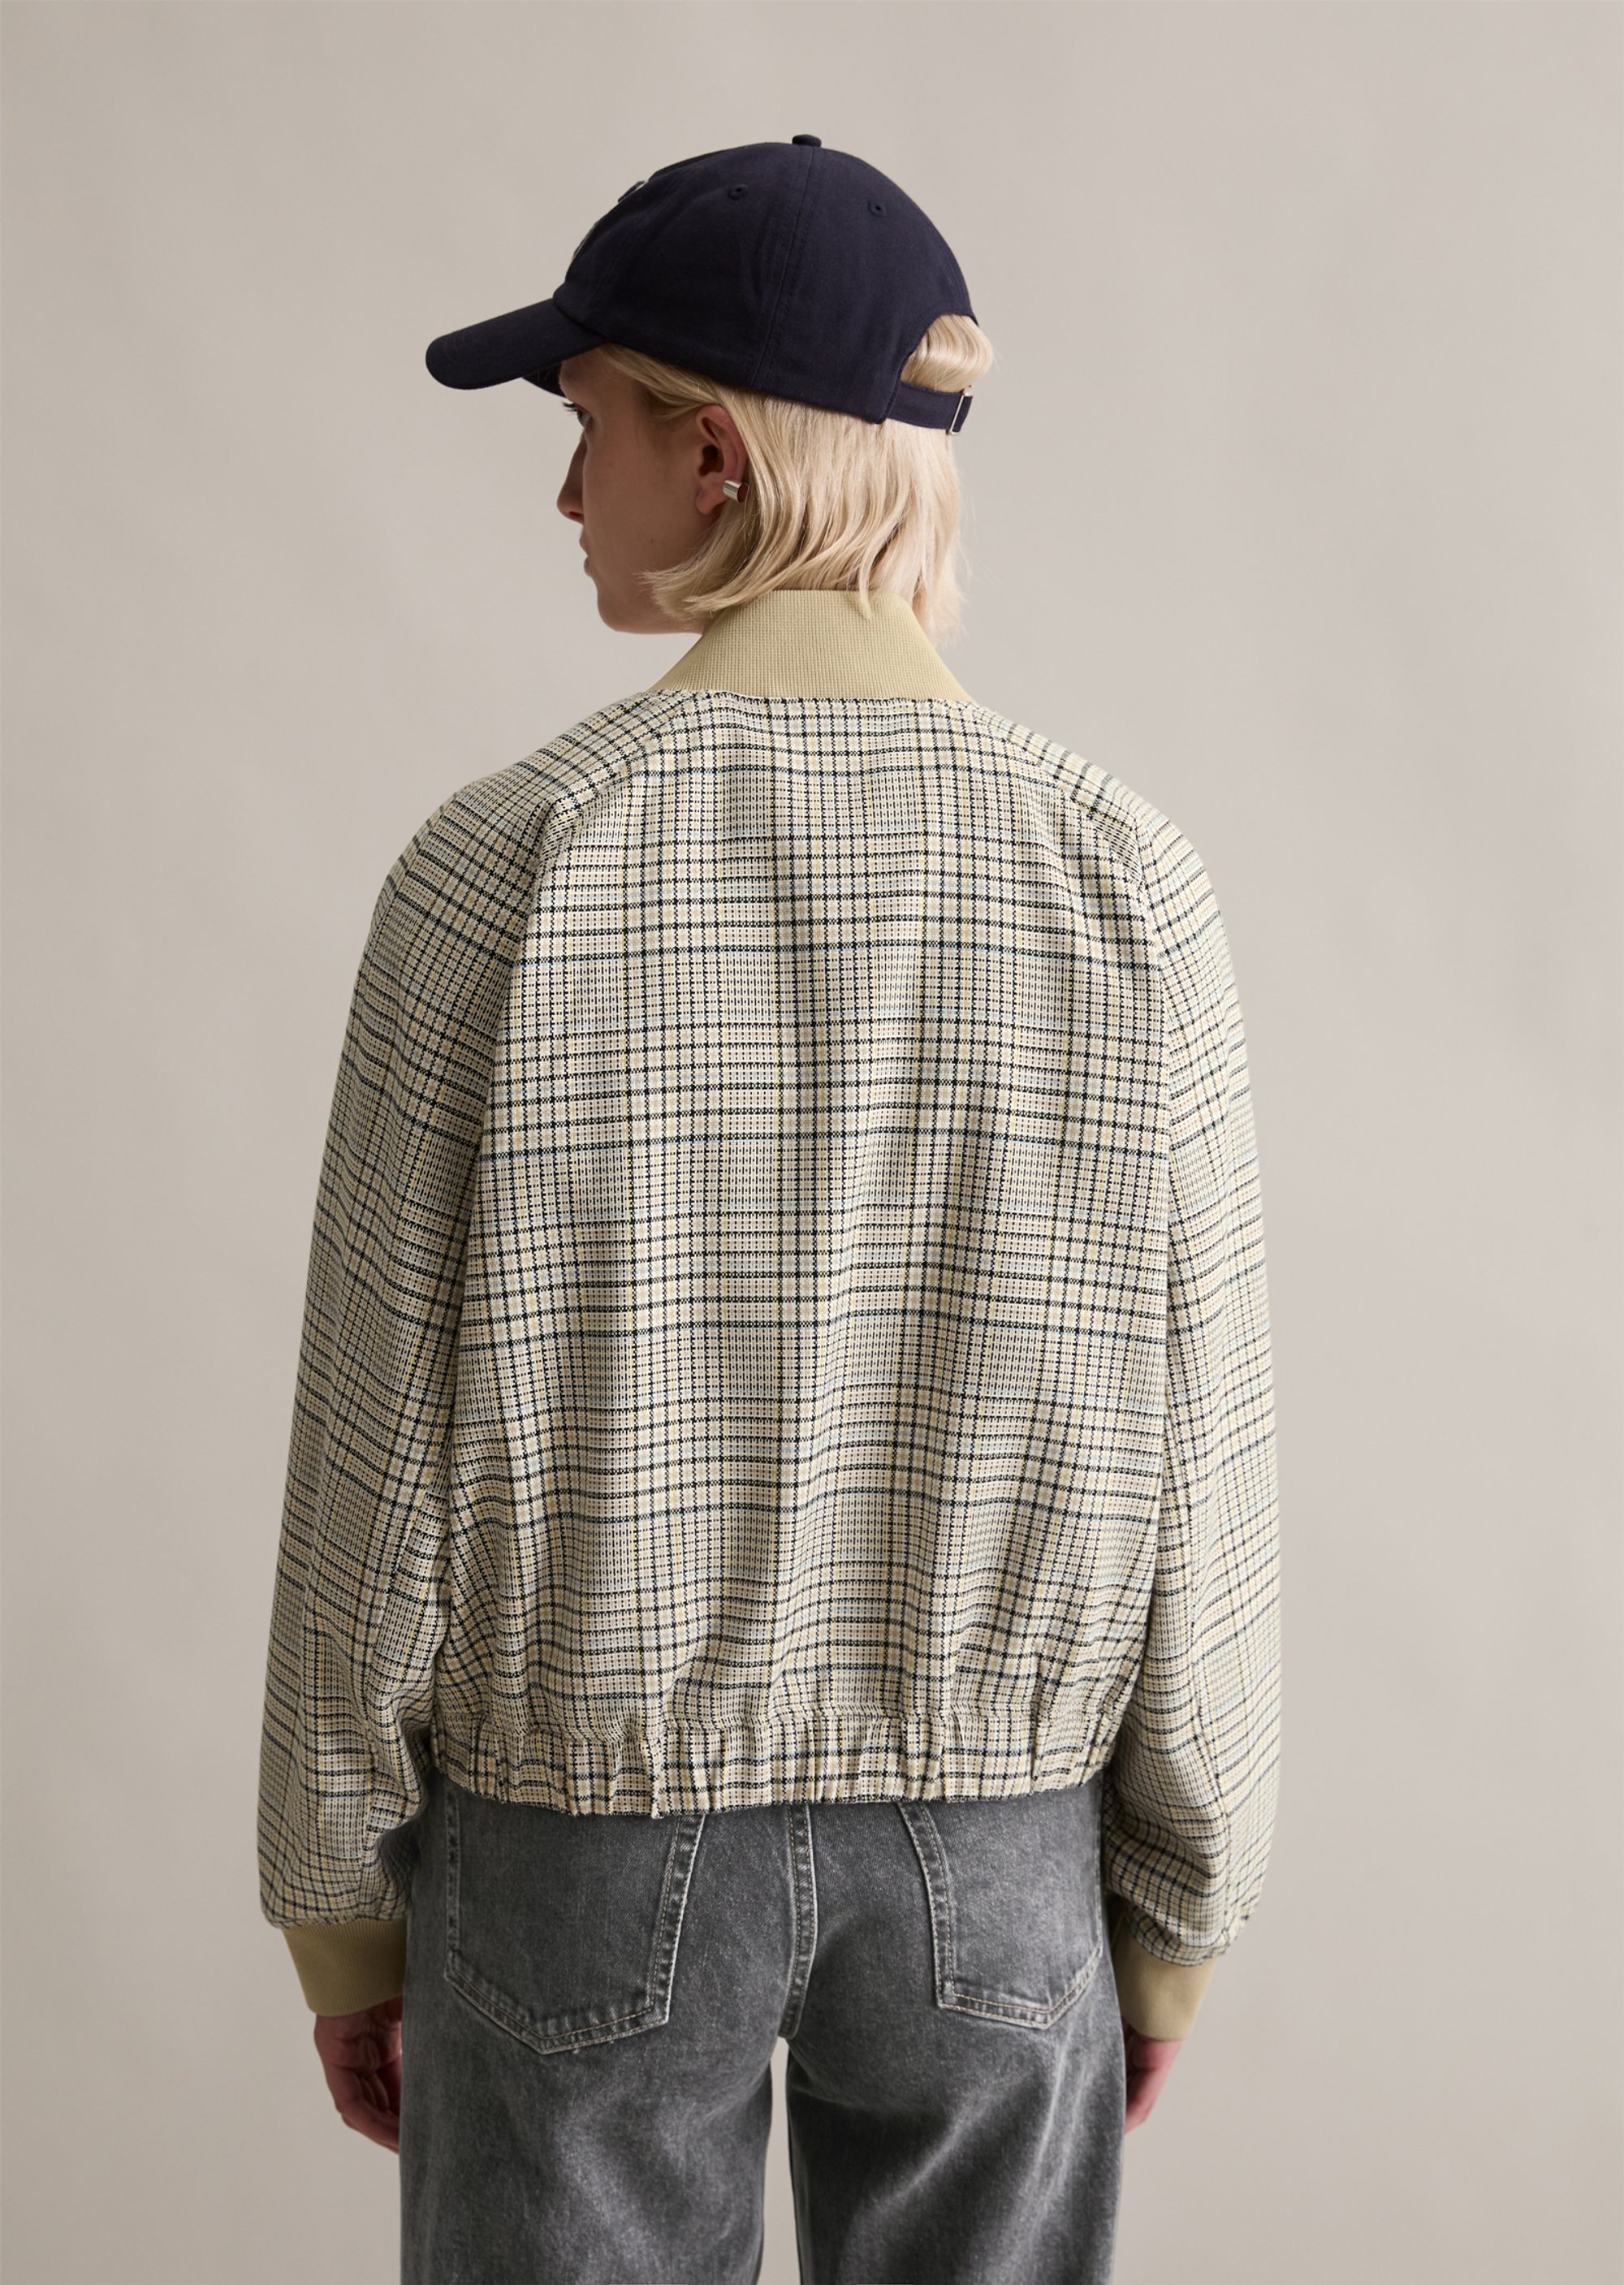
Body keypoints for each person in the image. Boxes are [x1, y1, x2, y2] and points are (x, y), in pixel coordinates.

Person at [258, 135, 1281, 2284]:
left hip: (578, 1845)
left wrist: (338, 1897)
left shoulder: (504, 870)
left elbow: (376, 1454)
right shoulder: (1126, 883)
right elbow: (1208, 1464)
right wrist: (1174, 1911)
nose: (567, 494)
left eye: (587, 428)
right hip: (997, 1861)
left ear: (713, 454)